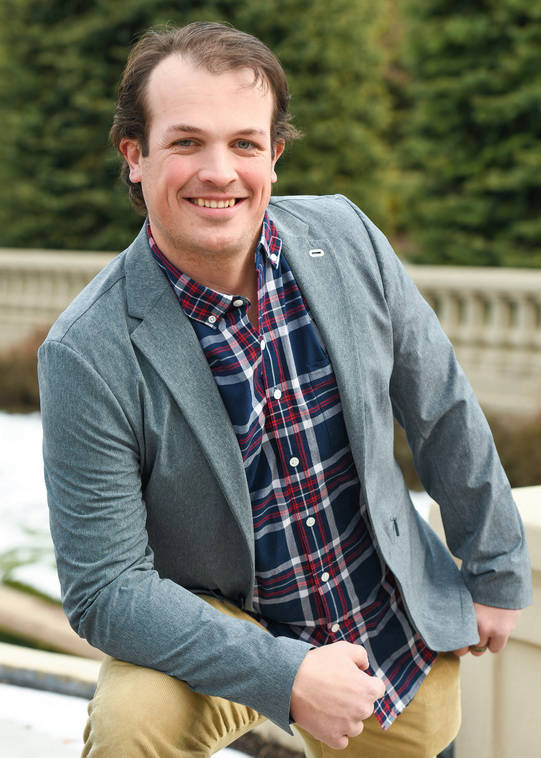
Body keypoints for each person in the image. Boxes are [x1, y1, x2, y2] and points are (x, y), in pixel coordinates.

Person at [38, 21, 531, 758]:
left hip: (377, 609)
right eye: (185, 143)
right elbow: (106, 587)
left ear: (273, 153)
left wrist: (493, 564)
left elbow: (440, 407)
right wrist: (286, 669)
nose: (218, 171)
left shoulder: (347, 237)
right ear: (134, 157)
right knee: (130, 722)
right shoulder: (85, 351)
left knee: (424, 734)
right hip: (220, 618)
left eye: (243, 143)